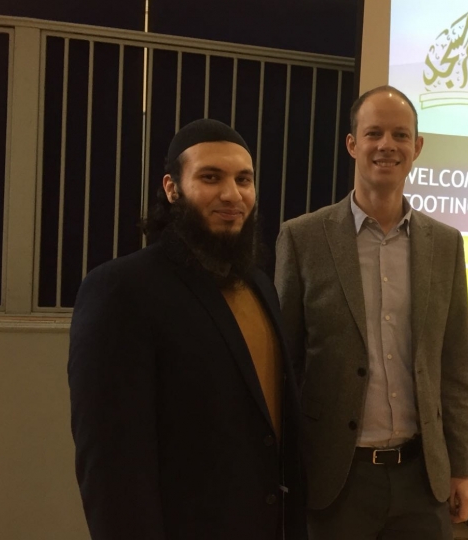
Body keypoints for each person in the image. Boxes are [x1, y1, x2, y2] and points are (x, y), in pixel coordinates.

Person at [68, 119, 304, 540]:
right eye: (210, 177)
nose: (232, 194)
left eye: (243, 179)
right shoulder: (121, 289)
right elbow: (110, 465)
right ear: (172, 187)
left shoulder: (260, 284)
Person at [274, 86, 468, 539]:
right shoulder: (303, 239)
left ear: (417, 147)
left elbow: (453, 367)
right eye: (374, 133)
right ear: (352, 144)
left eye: (401, 135)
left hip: (421, 481)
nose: (388, 145)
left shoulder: (445, 245)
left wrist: (460, 468)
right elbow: (284, 366)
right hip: (337, 480)